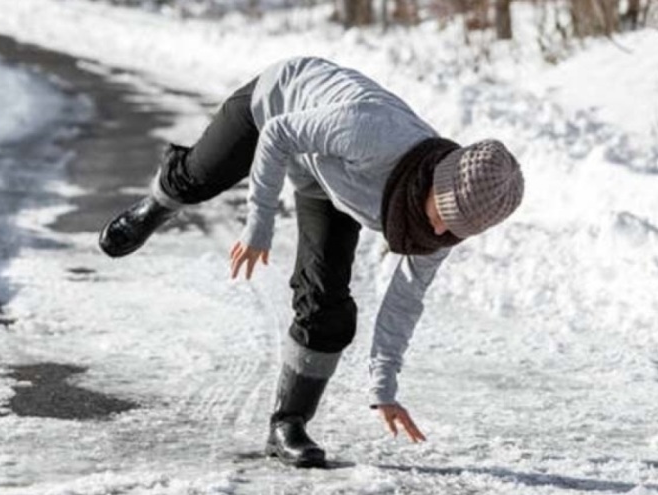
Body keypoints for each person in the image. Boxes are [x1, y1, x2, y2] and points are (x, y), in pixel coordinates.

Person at [99, 56, 524, 468]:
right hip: (279, 105)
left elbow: (403, 303)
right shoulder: (375, 133)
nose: (439, 229)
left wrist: (384, 389)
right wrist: (259, 226)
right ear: (436, 179)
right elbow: (278, 134)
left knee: (326, 303)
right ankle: (156, 205)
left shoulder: (439, 233)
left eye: (454, 229)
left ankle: (288, 423)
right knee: (197, 179)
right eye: (443, 212)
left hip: (328, 177)